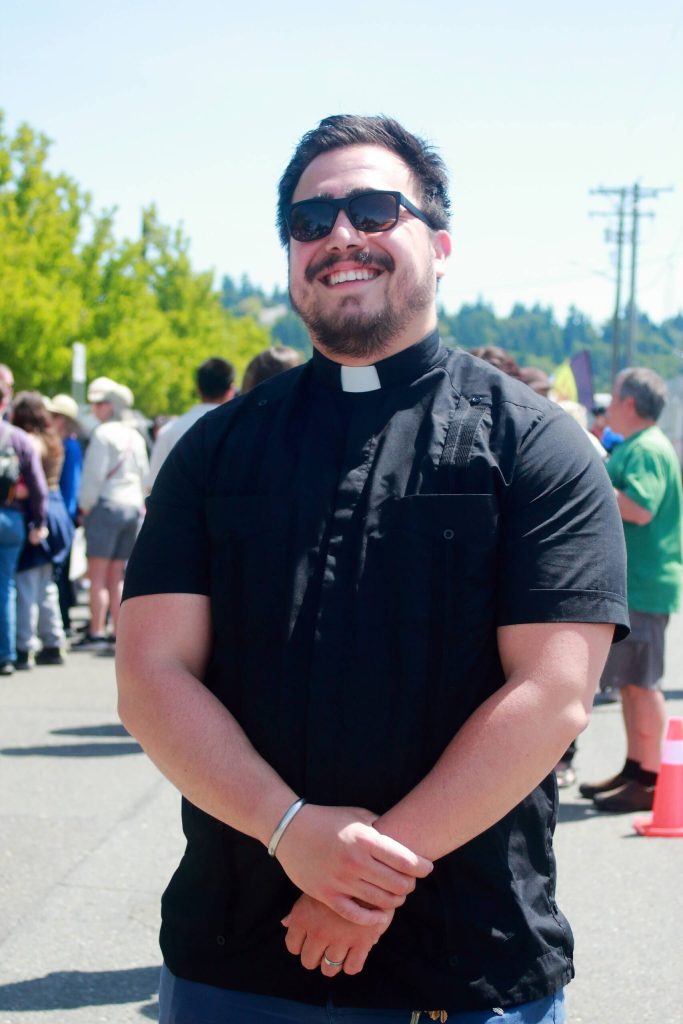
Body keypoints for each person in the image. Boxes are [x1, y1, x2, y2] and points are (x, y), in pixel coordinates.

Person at [117, 115, 628, 1024]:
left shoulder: (539, 444)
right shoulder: (213, 450)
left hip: (464, 961)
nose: (340, 235)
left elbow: (551, 694)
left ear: (436, 241)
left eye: (371, 208)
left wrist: (357, 879)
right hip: (233, 954)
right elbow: (151, 674)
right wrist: (289, 831)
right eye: (309, 221)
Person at [579, 367, 682, 812]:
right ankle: (635, 770)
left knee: (643, 685)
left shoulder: (647, 450)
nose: (607, 408)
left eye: (613, 398)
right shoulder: (642, 446)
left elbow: (639, 508)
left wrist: (594, 472)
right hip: (634, 584)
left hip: (642, 584)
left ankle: (652, 778)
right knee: (632, 685)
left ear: (630, 405)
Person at [74, 377, 148, 651]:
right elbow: (144, 475)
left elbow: (92, 478)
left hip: (106, 506)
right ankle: (118, 632)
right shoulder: (136, 436)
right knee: (117, 575)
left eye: (100, 403)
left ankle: (96, 631)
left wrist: (84, 506)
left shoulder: (103, 435)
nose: (95, 408)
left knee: (98, 575)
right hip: (131, 507)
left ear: (111, 406)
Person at [11, 392, 73, 668]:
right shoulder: (53, 440)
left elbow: (29, 488)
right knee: (46, 584)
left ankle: (25, 644)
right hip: (57, 509)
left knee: (26, 584)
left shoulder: (30, 442)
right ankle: (53, 640)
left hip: (38, 512)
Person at [0, 381, 48, 675]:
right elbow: (38, 488)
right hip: (12, 518)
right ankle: (6, 654)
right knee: (6, 587)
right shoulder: (17, 438)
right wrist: (38, 522)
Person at [146, 357, 236, 491]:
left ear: (198, 388)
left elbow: (152, 486)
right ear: (231, 390)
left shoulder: (169, 431)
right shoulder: (240, 430)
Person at [45, 394, 83, 635]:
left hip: (64, 514)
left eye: (55, 416)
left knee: (60, 571)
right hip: (64, 513)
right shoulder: (67, 444)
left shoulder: (68, 445)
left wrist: (67, 517)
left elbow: (71, 484)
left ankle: (63, 620)